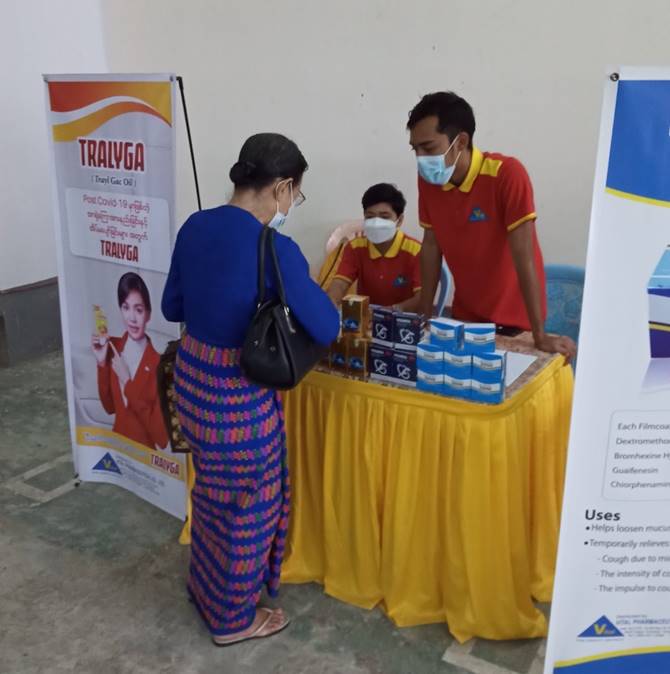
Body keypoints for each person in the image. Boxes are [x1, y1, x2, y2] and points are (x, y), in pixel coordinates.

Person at [161, 133, 339, 646]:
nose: (292, 204)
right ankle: (232, 619)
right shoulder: (275, 249)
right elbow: (326, 327)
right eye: (295, 194)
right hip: (238, 400)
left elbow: (172, 307)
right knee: (249, 509)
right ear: (281, 187)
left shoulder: (195, 226)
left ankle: (207, 588)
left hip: (191, 381)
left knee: (212, 494)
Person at [407, 91, 576, 361]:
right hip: (466, 318)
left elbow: (525, 257)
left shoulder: (506, 175)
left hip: (516, 323)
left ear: (461, 141)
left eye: (428, 148)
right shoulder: (429, 182)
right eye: (415, 149)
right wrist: (425, 315)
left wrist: (539, 334)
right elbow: (431, 245)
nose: (420, 158)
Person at [92, 272, 168, 450]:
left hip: (145, 458)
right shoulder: (113, 347)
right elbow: (109, 408)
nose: (132, 318)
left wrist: (127, 383)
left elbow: (161, 438)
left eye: (139, 310)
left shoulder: (159, 364)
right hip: (118, 451)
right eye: (126, 307)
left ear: (148, 314)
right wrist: (102, 363)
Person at [327, 183, 421, 312]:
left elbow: (423, 297)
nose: (376, 222)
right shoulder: (355, 247)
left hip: (403, 318)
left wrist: (392, 311)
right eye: (370, 216)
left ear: (399, 220)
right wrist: (331, 302)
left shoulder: (416, 251)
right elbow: (340, 284)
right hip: (365, 317)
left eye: (384, 217)